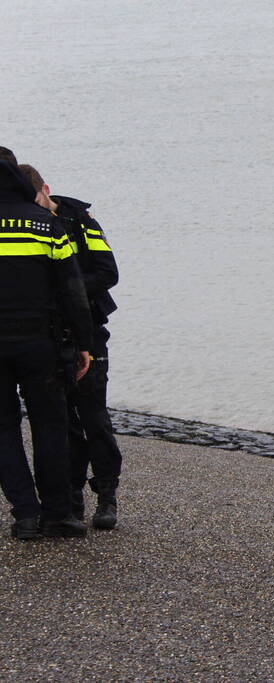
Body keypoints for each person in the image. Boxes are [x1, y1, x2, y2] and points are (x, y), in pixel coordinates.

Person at [20, 164, 122, 530]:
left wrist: (68, 290)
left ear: (45, 189)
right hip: (50, 335)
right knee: (62, 423)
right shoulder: (27, 225)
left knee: (94, 416)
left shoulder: (81, 219)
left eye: (35, 198)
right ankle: (72, 498)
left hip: (89, 328)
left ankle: (107, 495)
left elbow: (108, 272)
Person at [0, 146, 92, 539]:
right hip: (41, 342)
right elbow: (72, 290)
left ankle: (25, 514)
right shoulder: (46, 224)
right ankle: (58, 514)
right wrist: (84, 343)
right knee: (49, 425)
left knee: (3, 429)